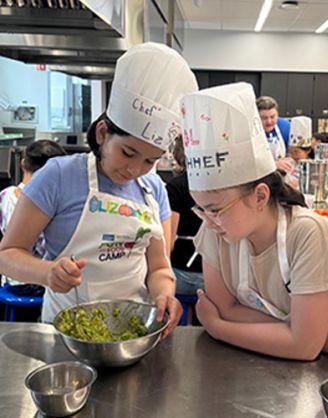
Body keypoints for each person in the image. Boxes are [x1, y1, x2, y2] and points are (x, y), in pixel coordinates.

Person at [0, 43, 190, 333]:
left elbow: (160, 268)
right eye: (127, 153)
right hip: (68, 332)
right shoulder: (59, 176)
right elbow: (8, 254)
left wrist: (164, 294)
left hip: (133, 332)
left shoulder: (154, 189)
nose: (135, 170)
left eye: (150, 160)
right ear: (103, 132)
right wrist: (49, 273)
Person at [185, 82, 328, 360]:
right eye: (201, 209)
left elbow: (304, 348)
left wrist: (219, 328)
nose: (208, 221)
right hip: (251, 359)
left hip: (324, 366)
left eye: (216, 210)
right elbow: (225, 306)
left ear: (259, 196)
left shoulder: (305, 232)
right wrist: (304, 332)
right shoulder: (214, 228)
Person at [0, 140, 66, 285]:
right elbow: (46, 249)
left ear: (23, 163)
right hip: (36, 279)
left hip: (8, 277)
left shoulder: (5, 194)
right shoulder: (45, 204)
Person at [166, 138, 203, 296]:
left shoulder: (175, 187)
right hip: (211, 273)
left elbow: (169, 241)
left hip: (180, 271)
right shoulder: (218, 185)